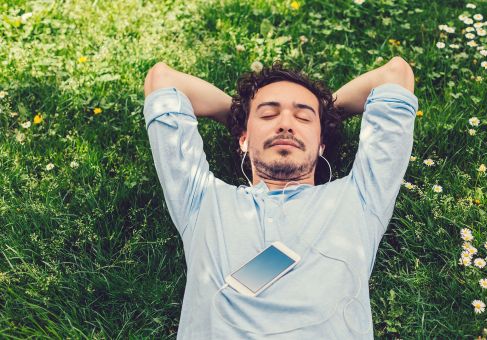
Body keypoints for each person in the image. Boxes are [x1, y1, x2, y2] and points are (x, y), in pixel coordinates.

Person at [142, 56, 417, 339]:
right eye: (268, 115)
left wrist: (326, 113)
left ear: (321, 143)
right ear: (243, 140)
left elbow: (395, 74)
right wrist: (240, 116)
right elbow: (162, 80)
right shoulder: (201, 200)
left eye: (303, 117)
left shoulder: (360, 197)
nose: (286, 124)